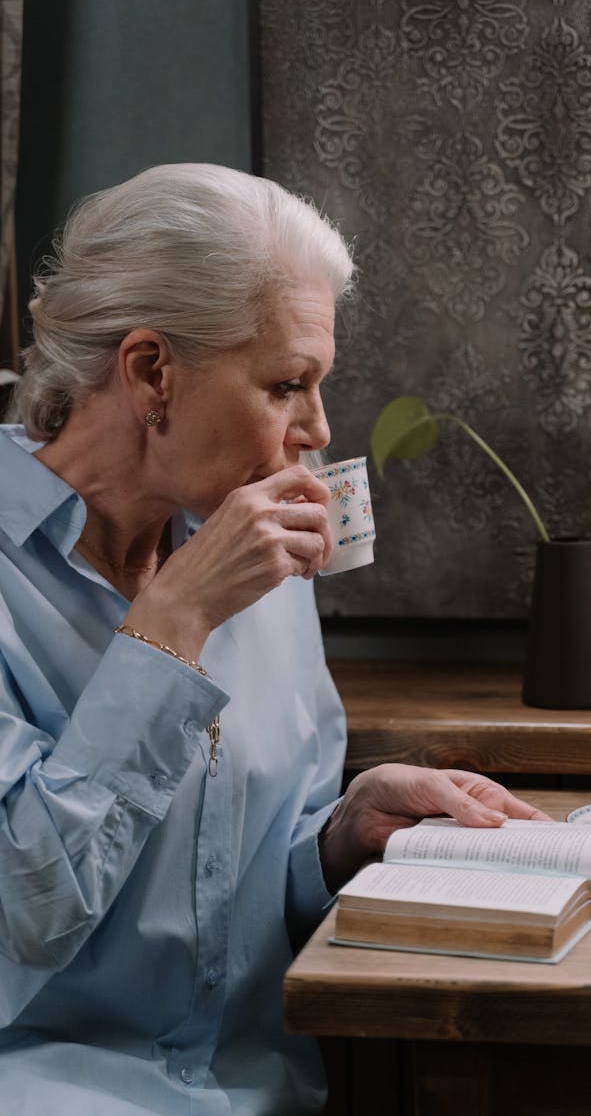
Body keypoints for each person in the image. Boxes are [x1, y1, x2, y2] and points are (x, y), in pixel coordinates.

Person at [0, 163, 550, 1115]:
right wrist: (171, 625)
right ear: (150, 371)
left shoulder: (253, 555)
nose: (320, 429)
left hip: (263, 1093)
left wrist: (339, 835)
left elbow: (230, 872)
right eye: (288, 384)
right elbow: (22, 911)